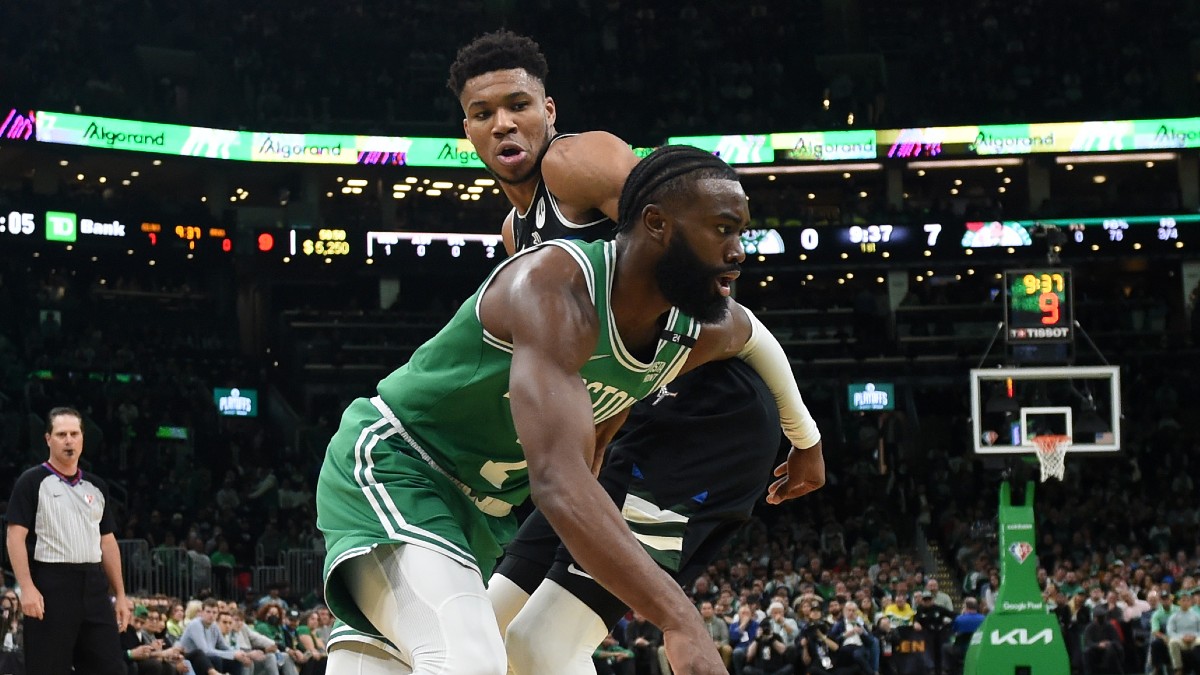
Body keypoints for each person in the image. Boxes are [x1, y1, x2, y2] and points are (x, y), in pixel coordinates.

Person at [316, 143, 812, 675]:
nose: (739, 250)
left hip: (480, 511)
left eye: (740, 232)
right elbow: (556, 482)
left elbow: (752, 336)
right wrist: (680, 620)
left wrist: (806, 441)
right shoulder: (554, 287)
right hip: (403, 467)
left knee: (464, 655)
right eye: (722, 229)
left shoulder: (691, 323)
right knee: (470, 660)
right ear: (656, 223)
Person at [450, 29, 823, 675]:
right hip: (634, 421)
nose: (504, 123)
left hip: (710, 419)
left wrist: (805, 436)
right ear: (468, 129)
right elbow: (592, 368)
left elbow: (721, 302)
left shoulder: (577, 163)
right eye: (485, 114)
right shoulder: (518, 233)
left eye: (519, 105)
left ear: (551, 112)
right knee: (487, 629)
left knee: (541, 647)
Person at [4, 406, 131, 674]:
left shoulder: (97, 487)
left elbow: (107, 542)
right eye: (61, 434)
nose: (69, 440)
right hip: (51, 584)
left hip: (95, 586)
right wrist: (26, 587)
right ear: (48, 439)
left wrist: (120, 595)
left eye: (74, 433)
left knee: (111, 667)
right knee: (49, 668)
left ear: (83, 438)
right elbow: (15, 537)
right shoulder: (31, 481)